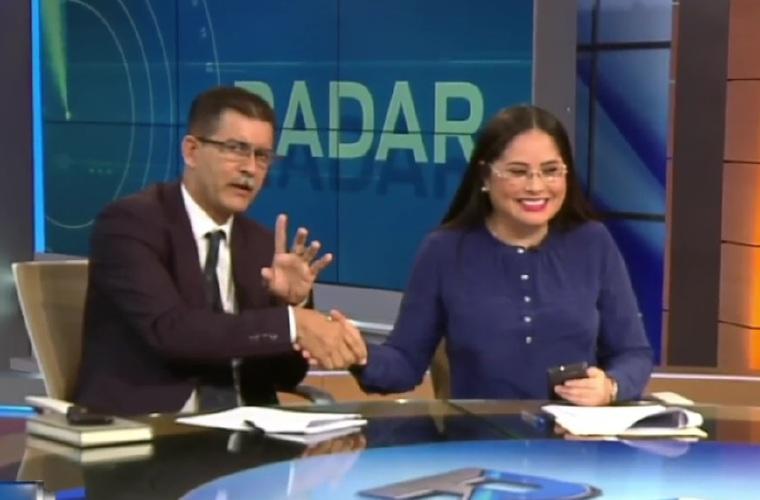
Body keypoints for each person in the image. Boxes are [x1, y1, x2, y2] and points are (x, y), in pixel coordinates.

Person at [74, 86, 365, 415]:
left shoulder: (261, 245)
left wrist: (293, 302)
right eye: (236, 149)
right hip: (148, 426)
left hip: (249, 430)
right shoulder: (130, 224)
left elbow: (285, 376)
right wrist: (291, 322)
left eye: (262, 156)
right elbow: (171, 332)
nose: (250, 168)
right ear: (192, 151)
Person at [343, 105, 653, 405]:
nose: (536, 186)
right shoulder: (444, 250)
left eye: (551, 171)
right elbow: (405, 364)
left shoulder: (592, 242)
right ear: (485, 176)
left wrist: (611, 386)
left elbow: (633, 354)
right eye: (518, 172)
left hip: (574, 435)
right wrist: (358, 354)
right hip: (480, 434)